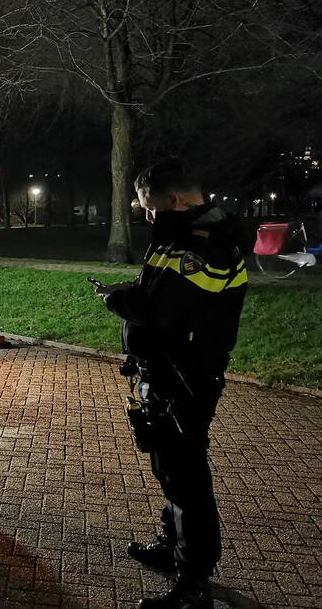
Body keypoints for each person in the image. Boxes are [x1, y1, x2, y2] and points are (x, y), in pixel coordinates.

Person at [93, 158, 248, 609]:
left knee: (186, 476)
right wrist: (130, 295)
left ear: (176, 200)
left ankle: (193, 582)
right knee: (169, 466)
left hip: (186, 378)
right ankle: (172, 544)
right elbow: (157, 291)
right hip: (165, 371)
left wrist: (117, 300)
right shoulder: (178, 237)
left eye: (150, 206)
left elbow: (161, 311)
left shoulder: (207, 247)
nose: (146, 215)